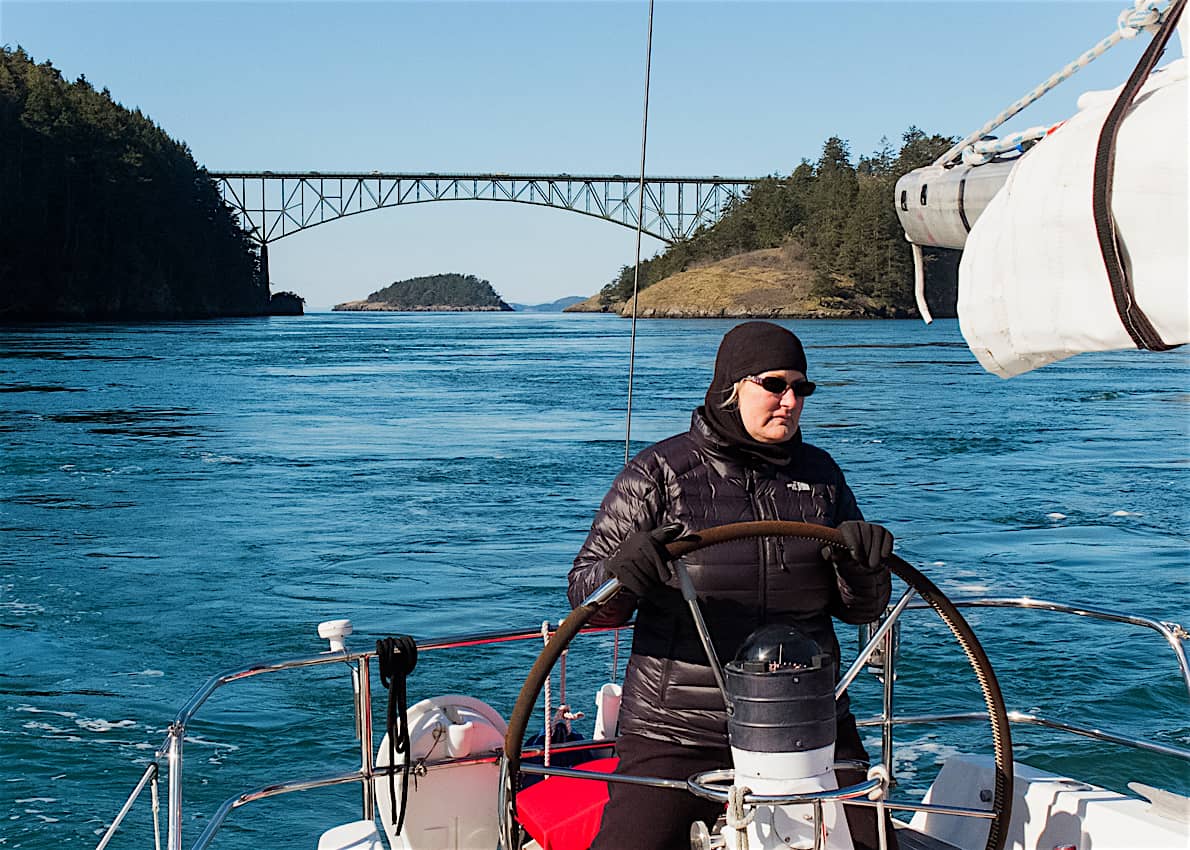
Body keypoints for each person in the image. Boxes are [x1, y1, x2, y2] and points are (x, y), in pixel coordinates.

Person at [569, 321, 897, 850]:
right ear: (732, 387)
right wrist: (622, 573)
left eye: (801, 388)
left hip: (806, 720)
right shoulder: (659, 473)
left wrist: (864, 565)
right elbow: (586, 599)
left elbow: (862, 610)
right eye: (774, 385)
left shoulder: (823, 477)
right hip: (676, 729)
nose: (789, 401)